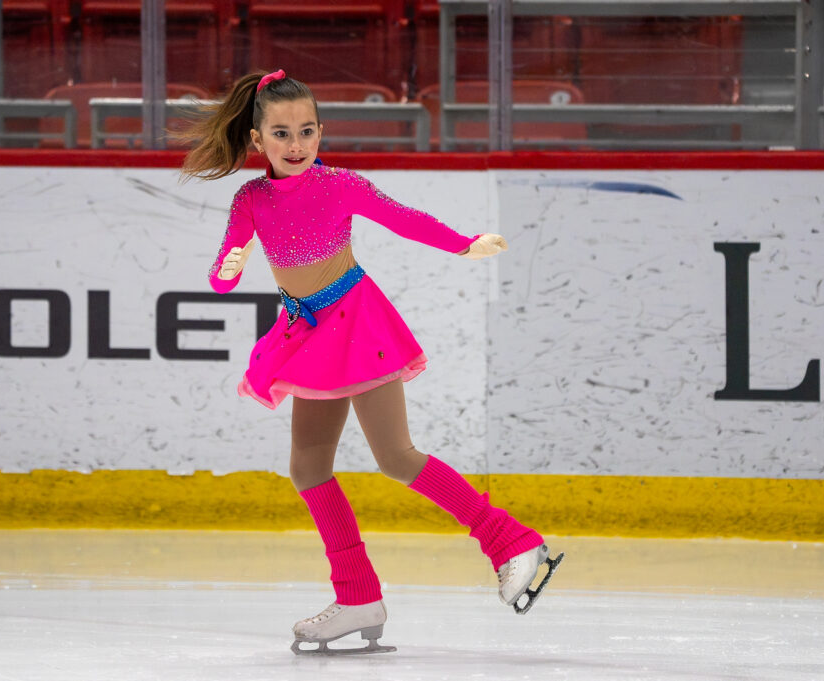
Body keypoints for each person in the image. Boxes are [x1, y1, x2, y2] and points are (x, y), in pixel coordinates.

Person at [180, 70, 563, 656]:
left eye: (306, 131)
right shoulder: (251, 199)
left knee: (396, 456)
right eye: (281, 133)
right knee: (308, 467)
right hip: (305, 331)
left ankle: (510, 541)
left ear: (320, 133)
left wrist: (463, 243)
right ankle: (357, 594)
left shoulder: (339, 185)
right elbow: (222, 270)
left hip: (356, 322)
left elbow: (403, 217)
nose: (296, 144)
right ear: (258, 140)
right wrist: (229, 264)